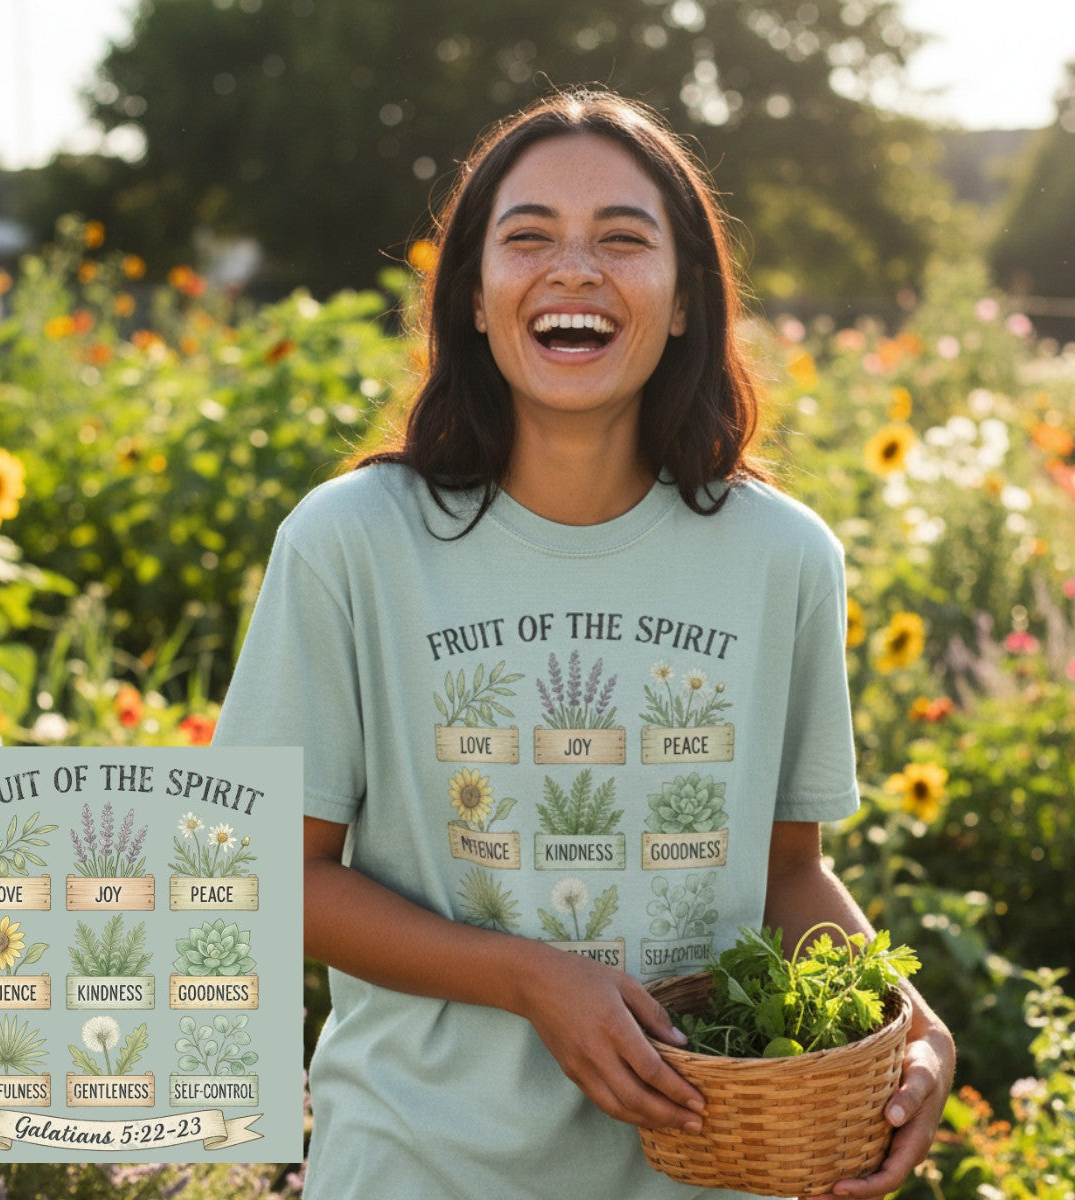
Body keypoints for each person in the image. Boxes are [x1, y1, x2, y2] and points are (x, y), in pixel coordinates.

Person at [214, 88, 955, 1200]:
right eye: (527, 239)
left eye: (623, 238)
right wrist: (526, 977)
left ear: (687, 299)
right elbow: (272, 871)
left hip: (711, 1173)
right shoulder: (352, 544)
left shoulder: (782, 557)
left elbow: (787, 871)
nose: (574, 269)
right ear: (470, 297)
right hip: (419, 1167)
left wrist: (909, 1027)